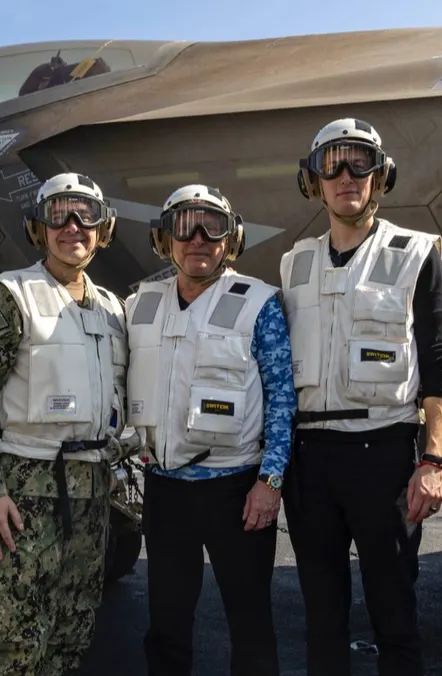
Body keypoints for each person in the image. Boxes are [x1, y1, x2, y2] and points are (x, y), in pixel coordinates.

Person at [279, 118, 442, 676]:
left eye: (360, 163)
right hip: (311, 460)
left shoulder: (414, 252)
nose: (346, 176)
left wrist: (434, 461)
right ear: (314, 180)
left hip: (383, 455)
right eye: (332, 164)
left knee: (394, 616)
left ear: (380, 177)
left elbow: (439, 360)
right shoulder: (294, 263)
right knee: (322, 621)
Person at [0, 172, 128, 676]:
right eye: (59, 215)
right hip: (21, 501)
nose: (73, 226)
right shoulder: (11, 296)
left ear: (103, 229)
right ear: (38, 227)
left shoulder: (112, 310)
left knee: (71, 638)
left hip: (91, 502)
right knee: (13, 646)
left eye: (86, 215)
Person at [127, 184, 296, 676]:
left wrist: (270, 482)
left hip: (236, 491)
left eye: (212, 227)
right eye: (185, 226)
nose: (198, 238)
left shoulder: (258, 303)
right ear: (165, 239)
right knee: (166, 626)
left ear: (231, 239)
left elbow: (283, 398)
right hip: (165, 492)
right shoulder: (138, 306)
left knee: (250, 624)